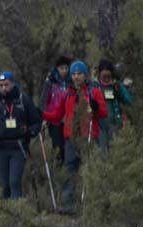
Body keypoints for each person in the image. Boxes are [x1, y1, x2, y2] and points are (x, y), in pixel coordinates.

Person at [41, 60, 108, 212]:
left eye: (79, 74)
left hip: (88, 137)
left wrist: (96, 107)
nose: (76, 77)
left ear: (85, 75)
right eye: (73, 74)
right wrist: (41, 114)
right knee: (69, 169)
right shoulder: (68, 94)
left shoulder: (93, 91)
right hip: (71, 138)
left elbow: (104, 113)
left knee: (89, 169)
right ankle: (68, 204)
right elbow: (57, 115)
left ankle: (92, 203)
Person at [0, 70, 42, 199]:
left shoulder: (23, 100)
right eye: (1, 85)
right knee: (5, 185)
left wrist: (30, 132)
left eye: (6, 84)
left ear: (13, 84)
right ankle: (6, 214)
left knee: (14, 182)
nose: (4, 88)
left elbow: (36, 122)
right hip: (0, 148)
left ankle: (17, 214)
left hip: (18, 147)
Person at [40, 56, 73, 163]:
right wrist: (43, 117)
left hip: (68, 118)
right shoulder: (50, 80)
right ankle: (59, 168)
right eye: (61, 68)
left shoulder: (71, 81)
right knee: (57, 145)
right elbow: (44, 98)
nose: (64, 71)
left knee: (68, 145)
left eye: (66, 68)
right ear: (57, 68)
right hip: (53, 118)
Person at [95, 59, 134, 150]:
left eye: (108, 76)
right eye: (104, 76)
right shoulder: (95, 86)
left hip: (114, 123)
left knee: (114, 149)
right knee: (102, 151)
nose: (106, 79)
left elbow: (129, 101)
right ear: (99, 74)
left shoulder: (116, 86)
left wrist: (120, 93)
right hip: (100, 125)